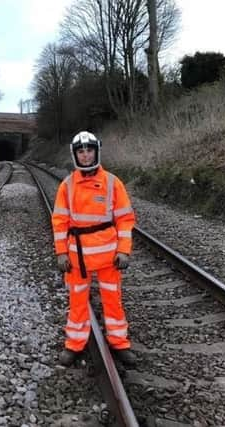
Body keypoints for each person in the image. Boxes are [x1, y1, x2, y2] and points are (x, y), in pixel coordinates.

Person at [51, 131, 137, 367]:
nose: (86, 155)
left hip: (109, 257)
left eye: (89, 150)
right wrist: (61, 252)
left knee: (113, 301)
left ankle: (119, 343)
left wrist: (124, 250)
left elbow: (125, 219)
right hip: (78, 259)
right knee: (78, 303)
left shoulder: (112, 183)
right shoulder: (67, 186)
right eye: (81, 151)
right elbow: (59, 222)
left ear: (96, 151)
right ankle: (74, 345)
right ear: (75, 154)